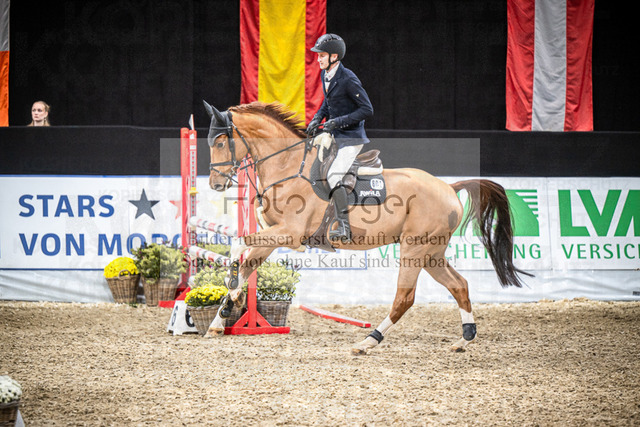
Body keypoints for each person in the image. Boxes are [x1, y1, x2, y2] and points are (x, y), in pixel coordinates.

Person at [306, 33, 374, 243]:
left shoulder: (348, 79)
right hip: (336, 136)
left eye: (322, 55)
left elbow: (367, 109)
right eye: (318, 55)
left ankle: (344, 226)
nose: (318, 59)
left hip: (351, 138)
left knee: (334, 176)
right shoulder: (326, 75)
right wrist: (316, 118)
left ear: (334, 56)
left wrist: (338, 122)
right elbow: (328, 103)